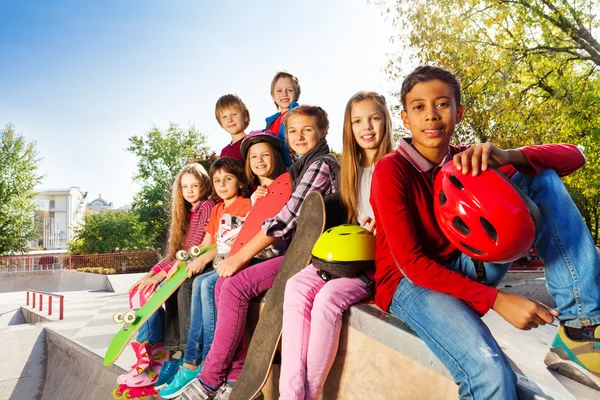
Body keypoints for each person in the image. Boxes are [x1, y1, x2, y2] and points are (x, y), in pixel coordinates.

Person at [371, 65, 600, 398]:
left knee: (540, 179)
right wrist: (497, 300)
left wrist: (510, 156)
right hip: (409, 283)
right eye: (419, 107)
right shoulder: (391, 170)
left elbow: (573, 158)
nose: (432, 115)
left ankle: (580, 331)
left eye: (442, 104)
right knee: (491, 372)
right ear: (406, 119)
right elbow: (412, 264)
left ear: (459, 112)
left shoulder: (469, 160)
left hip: (465, 266)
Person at [180, 105, 340, 400]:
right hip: (295, 252)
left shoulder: (321, 164)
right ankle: (234, 374)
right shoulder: (300, 167)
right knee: (224, 284)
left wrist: (239, 258)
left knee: (234, 285)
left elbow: (285, 220)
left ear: (323, 132)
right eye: (293, 131)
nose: (299, 136)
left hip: (309, 256)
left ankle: (209, 380)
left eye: (307, 130)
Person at [278, 91, 393, 399]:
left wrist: (386, 226)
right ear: (349, 127)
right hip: (348, 257)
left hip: (378, 265)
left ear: (387, 121)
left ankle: (311, 393)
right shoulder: (350, 171)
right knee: (297, 285)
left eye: (374, 118)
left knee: (328, 297)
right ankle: (291, 394)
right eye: (357, 121)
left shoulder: (396, 165)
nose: (366, 127)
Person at [158, 157, 252, 398]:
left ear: (240, 182)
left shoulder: (245, 205)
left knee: (202, 283)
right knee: (190, 282)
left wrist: (199, 259)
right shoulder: (218, 208)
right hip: (215, 260)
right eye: (218, 180)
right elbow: (207, 244)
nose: (221, 185)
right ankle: (187, 359)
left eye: (227, 180)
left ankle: (201, 359)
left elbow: (233, 244)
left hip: (233, 263)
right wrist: (187, 259)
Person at [127, 163, 215, 389]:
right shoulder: (187, 212)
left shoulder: (205, 206)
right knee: (149, 290)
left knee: (177, 287)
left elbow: (194, 245)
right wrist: (153, 273)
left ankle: (179, 353)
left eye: (195, 185)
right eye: (185, 186)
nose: (190, 191)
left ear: (204, 185)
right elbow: (175, 252)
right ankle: (160, 350)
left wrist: (163, 275)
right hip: (185, 261)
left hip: (203, 262)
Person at [265, 71, 301, 167]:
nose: (284, 94)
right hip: (276, 168)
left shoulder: (298, 115)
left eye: (289, 90)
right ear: (273, 96)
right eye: (279, 90)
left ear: (297, 95)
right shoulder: (271, 122)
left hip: (293, 166)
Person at [216, 94, 251, 161]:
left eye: (234, 114)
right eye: (224, 117)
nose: (229, 120)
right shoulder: (224, 152)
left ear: (245, 116)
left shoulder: (251, 143)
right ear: (221, 122)